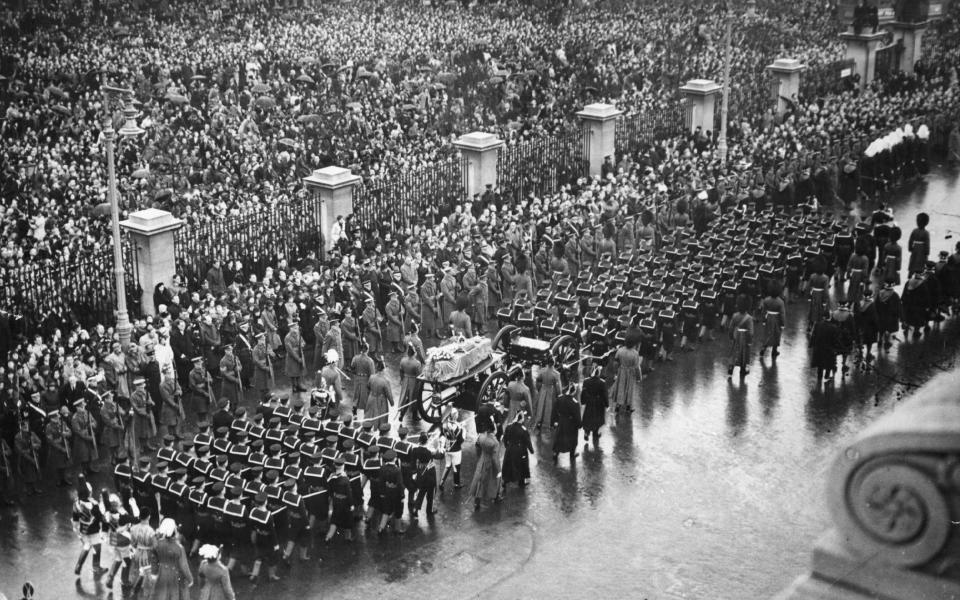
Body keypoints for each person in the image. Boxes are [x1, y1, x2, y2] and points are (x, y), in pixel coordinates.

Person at [151, 518, 193, 599]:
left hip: (161, 573)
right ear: (175, 530)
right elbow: (184, 566)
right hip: (174, 575)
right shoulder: (179, 548)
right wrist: (190, 579)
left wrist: (154, 573)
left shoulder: (158, 544)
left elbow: (154, 559)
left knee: (161, 595)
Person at [468, 429, 502, 510]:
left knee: (479, 482)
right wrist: (498, 470)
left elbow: (478, 446)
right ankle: (496, 496)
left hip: (482, 461)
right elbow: (495, 458)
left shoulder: (481, 437)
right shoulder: (495, 443)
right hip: (490, 464)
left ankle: (477, 502)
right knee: (495, 481)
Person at [611, 329, 642, 414]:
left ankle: (617, 406)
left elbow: (615, 362)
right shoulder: (635, 353)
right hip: (630, 373)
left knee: (620, 388)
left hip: (621, 371)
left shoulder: (620, 350)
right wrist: (639, 377)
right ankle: (629, 407)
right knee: (629, 389)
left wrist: (616, 372)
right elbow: (636, 367)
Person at [500, 410, 534, 489]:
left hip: (510, 448)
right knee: (522, 466)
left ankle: (505, 481)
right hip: (520, 450)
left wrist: (507, 446)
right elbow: (527, 441)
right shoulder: (523, 429)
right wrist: (531, 450)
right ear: (521, 419)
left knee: (508, 465)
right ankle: (521, 482)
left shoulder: (509, 426)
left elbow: (505, 438)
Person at [580, 366, 608, 450]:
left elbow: (583, 393)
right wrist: (607, 404)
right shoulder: (602, 382)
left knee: (588, 416)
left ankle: (586, 432)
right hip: (598, 403)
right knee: (597, 418)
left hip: (589, 402)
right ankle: (595, 433)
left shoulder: (586, 381)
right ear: (598, 373)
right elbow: (604, 395)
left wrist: (583, 401)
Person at [552, 384, 581, 464]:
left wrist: (554, 421)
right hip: (571, 424)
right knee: (573, 440)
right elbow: (577, 416)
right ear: (574, 391)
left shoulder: (559, 398)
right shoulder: (575, 403)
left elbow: (554, 411)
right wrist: (579, 425)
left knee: (558, 438)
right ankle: (572, 454)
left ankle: (555, 453)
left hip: (561, 421)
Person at [728, 295, 754, 379]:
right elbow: (750, 332)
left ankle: (731, 368)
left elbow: (731, 328)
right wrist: (749, 341)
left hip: (736, 335)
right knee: (744, 353)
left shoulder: (735, 315)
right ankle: (743, 370)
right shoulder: (749, 318)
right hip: (745, 337)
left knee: (734, 351)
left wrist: (731, 337)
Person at [438, 410, 464, 491]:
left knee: (448, 465)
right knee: (456, 467)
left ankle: (441, 483)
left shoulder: (444, 425)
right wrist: (464, 430)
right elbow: (461, 440)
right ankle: (456, 483)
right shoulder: (459, 427)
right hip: (456, 450)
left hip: (447, 448)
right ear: (455, 416)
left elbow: (441, 436)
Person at [532, 358, 561, 432]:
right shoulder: (556, 373)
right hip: (551, 390)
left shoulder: (542, 370)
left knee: (540, 407)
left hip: (543, 389)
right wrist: (559, 394)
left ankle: (538, 423)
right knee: (550, 408)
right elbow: (558, 387)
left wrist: (539, 389)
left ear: (547, 363)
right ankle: (549, 424)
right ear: (553, 363)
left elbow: (538, 380)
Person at [759, 283, 786, 360]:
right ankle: (774, 351)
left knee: (767, 333)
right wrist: (782, 324)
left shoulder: (766, 300)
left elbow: (763, 311)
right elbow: (782, 314)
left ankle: (763, 348)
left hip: (768, 318)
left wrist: (763, 320)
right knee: (777, 334)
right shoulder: (780, 302)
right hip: (777, 319)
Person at [366, 356, 393, 430]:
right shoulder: (385, 380)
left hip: (371, 398)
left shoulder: (371, 377)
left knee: (371, 415)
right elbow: (388, 394)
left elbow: (368, 386)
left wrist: (370, 394)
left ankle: (369, 428)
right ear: (383, 369)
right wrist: (392, 403)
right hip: (381, 401)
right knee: (382, 417)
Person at [396, 345, 423, 421]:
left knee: (405, 398)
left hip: (405, 380)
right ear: (414, 353)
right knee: (414, 398)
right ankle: (414, 415)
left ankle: (401, 414)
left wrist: (402, 379)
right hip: (413, 381)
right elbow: (419, 375)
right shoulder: (417, 363)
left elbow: (401, 371)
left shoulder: (403, 360)